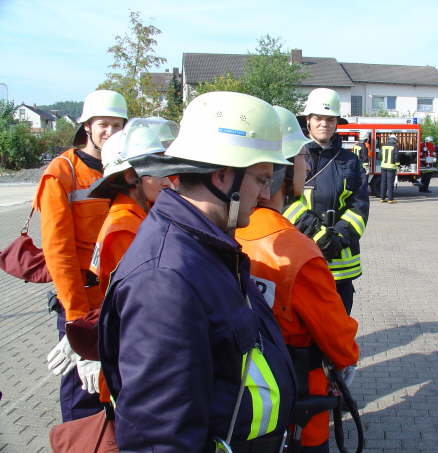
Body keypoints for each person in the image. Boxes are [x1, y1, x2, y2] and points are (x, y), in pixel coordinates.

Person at [98, 92, 296, 452]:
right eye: (261, 179)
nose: (267, 194)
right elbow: (159, 437)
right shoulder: (164, 279)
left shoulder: (206, 246)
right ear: (222, 176)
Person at [236, 106, 359, 453]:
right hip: (300, 402)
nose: (308, 162)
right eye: (302, 155)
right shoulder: (299, 254)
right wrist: (347, 357)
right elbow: (338, 338)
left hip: (242, 403)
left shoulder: (228, 233)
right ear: (283, 170)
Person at [70, 118, 176, 403]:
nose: (168, 177)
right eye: (158, 168)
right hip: (134, 361)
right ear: (131, 176)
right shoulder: (124, 230)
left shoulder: (136, 217)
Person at [41, 89, 127, 421]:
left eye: (117, 125)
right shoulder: (62, 173)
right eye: (103, 124)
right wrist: (77, 320)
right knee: (83, 395)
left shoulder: (122, 169)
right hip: (83, 303)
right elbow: (58, 251)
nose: (110, 132)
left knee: (117, 385)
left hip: (119, 301)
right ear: (87, 127)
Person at [284, 88, 369, 314]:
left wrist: (339, 238)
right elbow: (283, 200)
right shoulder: (292, 155)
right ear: (308, 121)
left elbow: (359, 206)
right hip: (300, 259)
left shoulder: (349, 161)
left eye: (330, 119)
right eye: (318, 118)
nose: (324, 124)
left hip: (340, 266)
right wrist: (316, 234)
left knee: (338, 333)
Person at [379, 134, 399, 203]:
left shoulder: (383, 146)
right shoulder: (395, 146)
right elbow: (396, 157)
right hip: (391, 167)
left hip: (383, 166)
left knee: (383, 183)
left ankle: (382, 198)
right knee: (390, 183)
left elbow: (379, 156)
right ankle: (390, 199)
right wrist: (397, 165)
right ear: (394, 140)